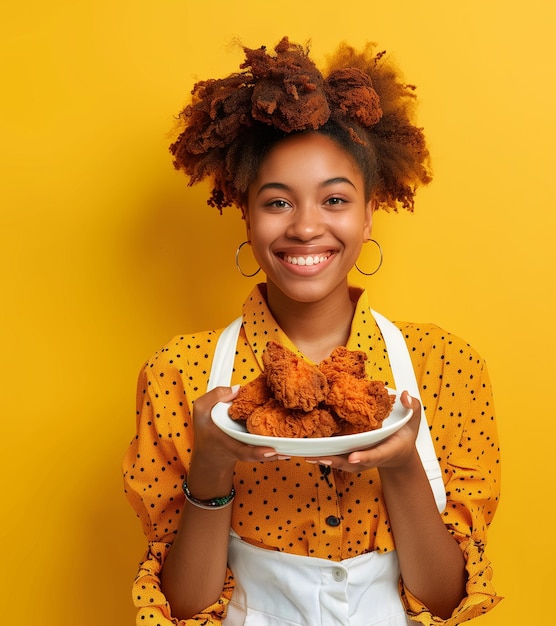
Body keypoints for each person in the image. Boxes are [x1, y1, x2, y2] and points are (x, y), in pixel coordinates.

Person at [123, 36, 502, 626]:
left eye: (334, 199)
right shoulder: (180, 374)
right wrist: (211, 466)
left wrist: (401, 467)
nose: (306, 227)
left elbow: (448, 601)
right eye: (277, 203)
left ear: (369, 212)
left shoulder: (444, 365)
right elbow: (184, 608)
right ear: (244, 211)